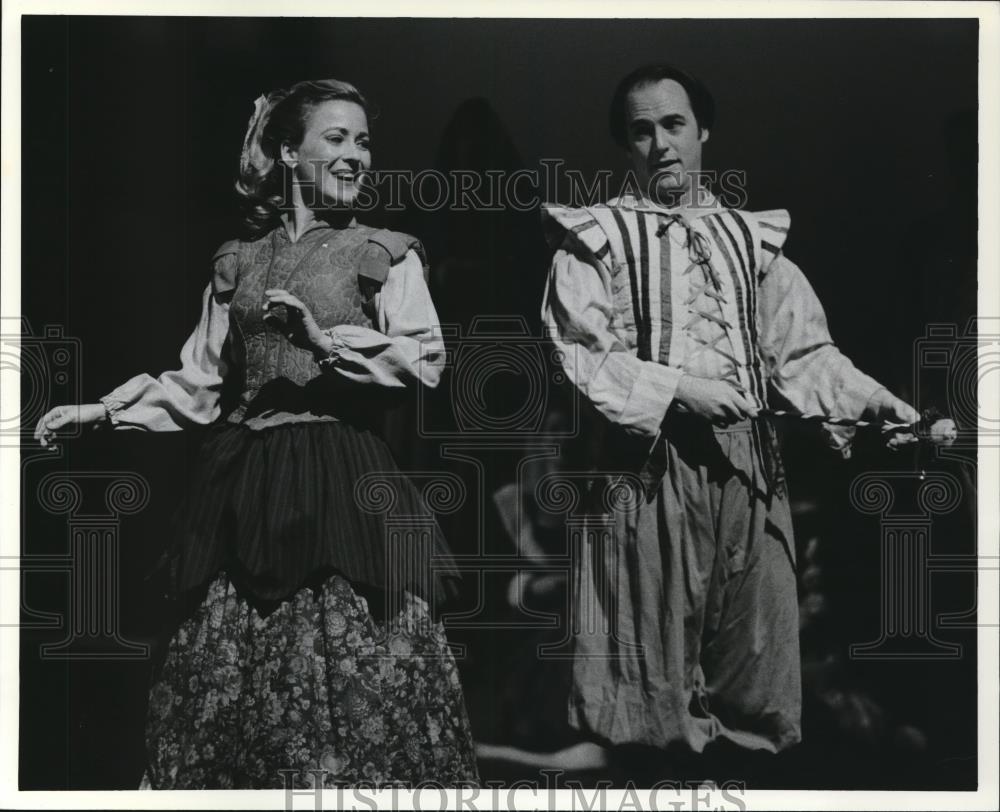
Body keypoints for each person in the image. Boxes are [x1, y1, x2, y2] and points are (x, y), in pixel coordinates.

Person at [34, 79, 479, 789]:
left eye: (364, 141)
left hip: (343, 482)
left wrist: (323, 340)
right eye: (336, 138)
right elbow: (199, 383)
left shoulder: (385, 254)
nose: (356, 155)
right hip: (244, 483)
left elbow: (424, 362)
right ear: (286, 153)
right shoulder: (238, 263)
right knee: (223, 684)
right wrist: (103, 411)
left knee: (355, 677)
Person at [540, 63, 950, 773]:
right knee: (650, 686)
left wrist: (877, 401)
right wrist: (679, 390)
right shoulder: (596, 239)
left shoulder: (749, 242)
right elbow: (581, 351)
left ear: (702, 131)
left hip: (748, 471)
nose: (661, 145)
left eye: (674, 125)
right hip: (647, 475)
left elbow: (806, 353)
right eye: (641, 132)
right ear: (624, 147)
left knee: (750, 671)